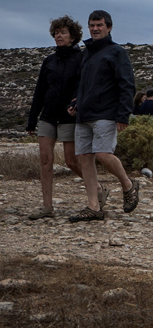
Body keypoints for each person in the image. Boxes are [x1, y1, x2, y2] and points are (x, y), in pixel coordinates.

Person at [25, 16, 108, 219]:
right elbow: (40, 91)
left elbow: (84, 86)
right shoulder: (49, 61)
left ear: (72, 36)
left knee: (71, 160)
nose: (58, 36)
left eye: (62, 32)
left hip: (69, 116)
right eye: (56, 32)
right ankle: (46, 207)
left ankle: (97, 188)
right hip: (48, 116)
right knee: (45, 160)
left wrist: (76, 103)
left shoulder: (81, 58)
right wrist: (32, 119)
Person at [67, 10, 140, 222]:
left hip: (106, 113)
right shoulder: (86, 53)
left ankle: (128, 184)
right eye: (92, 25)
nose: (95, 29)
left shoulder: (117, 52)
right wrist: (75, 103)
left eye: (99, 25)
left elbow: (127, 85)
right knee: (84, 159)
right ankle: (94, 206)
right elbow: (82, 85)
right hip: (84, 114)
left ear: (109, 27)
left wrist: (123, 115)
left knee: (102, 154)